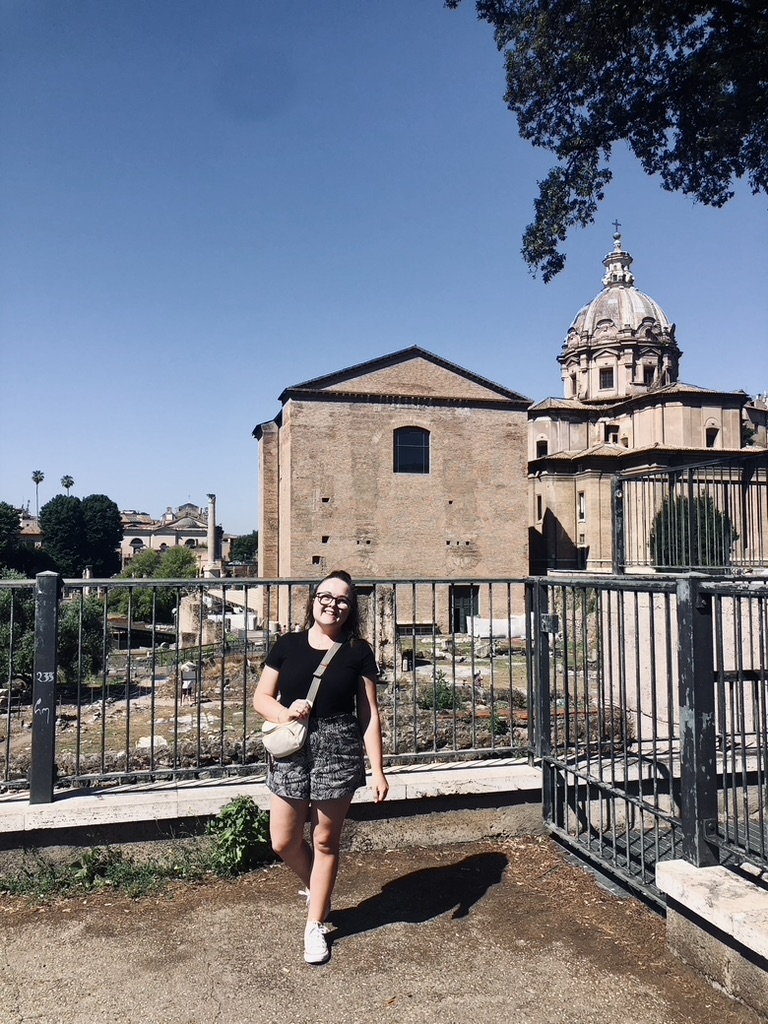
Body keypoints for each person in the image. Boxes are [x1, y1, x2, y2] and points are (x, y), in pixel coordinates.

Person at [253, 570, 388, 965]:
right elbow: (262, 696)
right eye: (326, 595)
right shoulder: (287, 645)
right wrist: (284, 712)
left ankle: (315, 924)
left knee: (326, 841)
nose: (333, 603)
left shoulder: (358, 651)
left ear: (351, 608)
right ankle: (318, 889)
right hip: (292, 744)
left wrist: (378, 769)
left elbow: (369, 714)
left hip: (338, 748)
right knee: (283, 841)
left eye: (342, 599)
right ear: (313, 600)